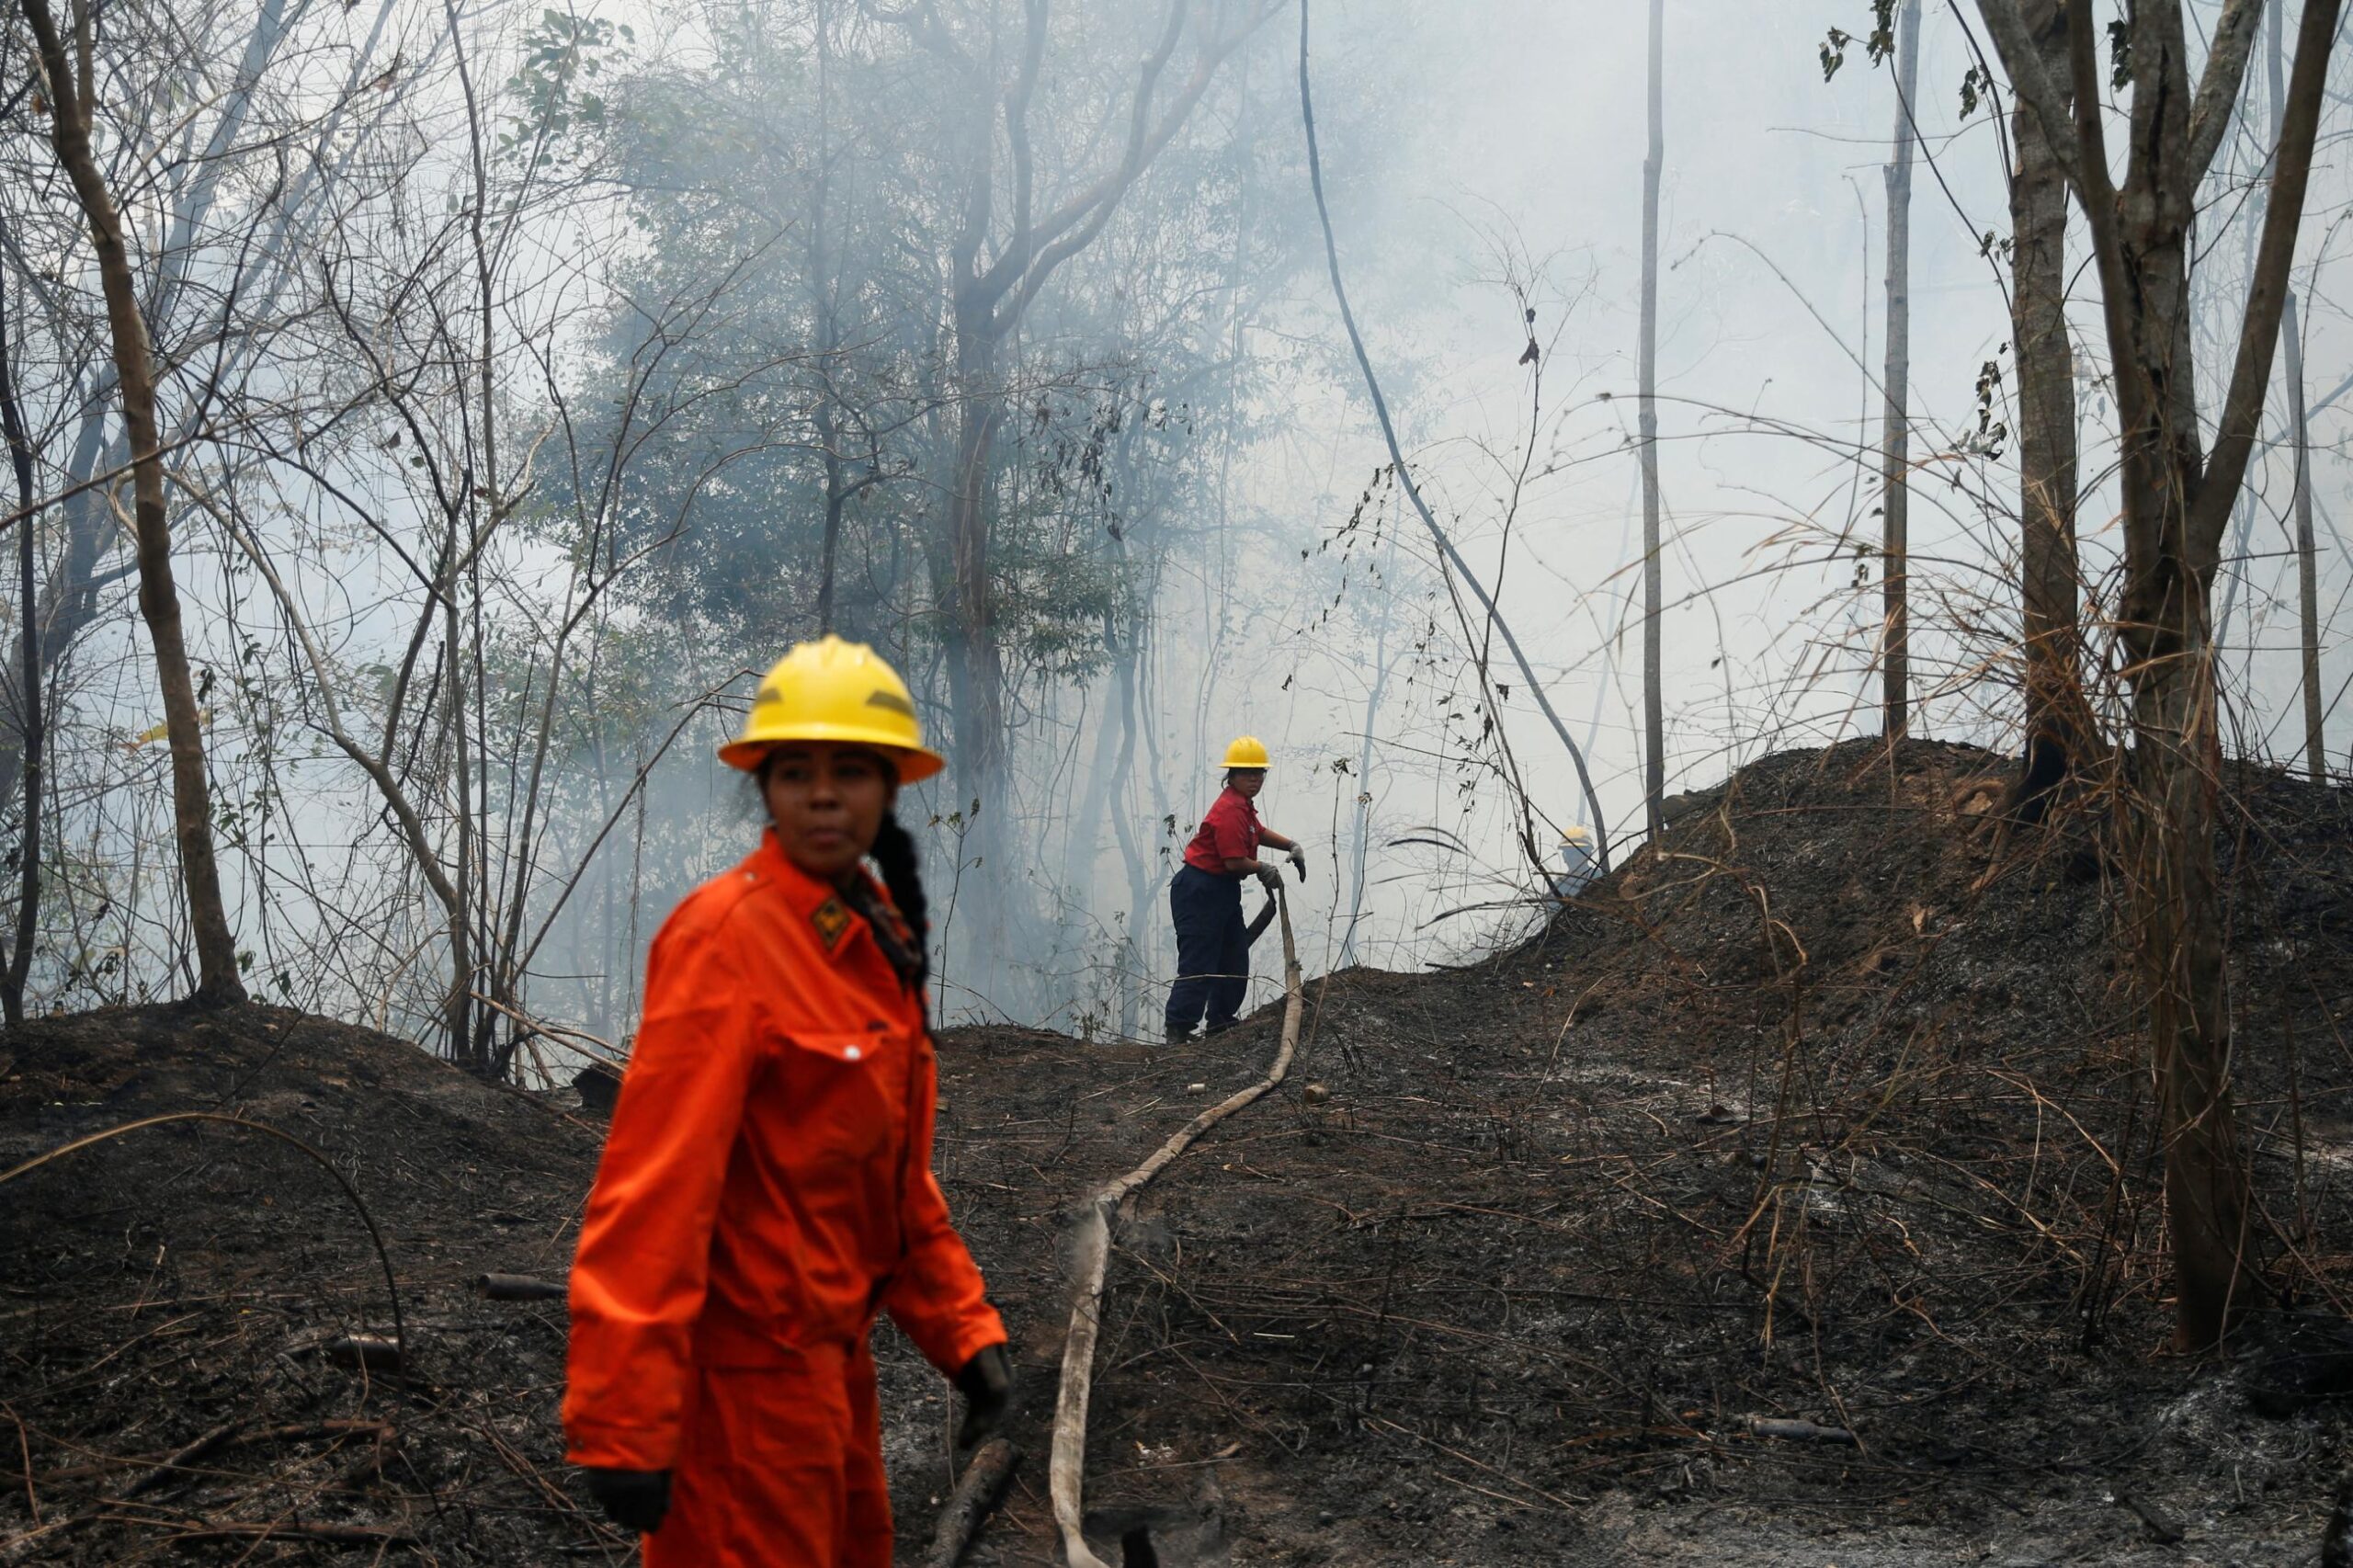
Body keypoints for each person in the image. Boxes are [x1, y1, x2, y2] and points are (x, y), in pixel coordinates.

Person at [563, 636, 1011, 1568]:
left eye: (850, 769)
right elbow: (652, 1192)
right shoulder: (723, 939)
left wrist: (963, 1332)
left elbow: (886, 1175)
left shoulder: (871, 934)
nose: (821, 793)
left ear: (889, 788)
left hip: (832, 1379)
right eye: (795, 769)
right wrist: (625, 1422)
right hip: (737, 1394)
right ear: (761, 786)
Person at [1165, 735, 1306, 1044]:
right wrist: (1262, 868)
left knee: (1233, 957)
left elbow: (1257, 832)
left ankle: (1220, 1022)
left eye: (1259, 774)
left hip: (1222, 891)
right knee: (1199, 961)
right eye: (1247, 774)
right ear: (1232, 776)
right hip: (1200, 890)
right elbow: (1232, 861)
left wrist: (1290, 844)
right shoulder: (1229, 809)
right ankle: (1178, 1029)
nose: (1255, 780)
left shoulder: (1242, 806)